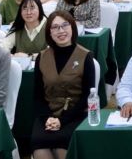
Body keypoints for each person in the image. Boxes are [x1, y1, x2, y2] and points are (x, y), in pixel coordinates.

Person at [32, 11, 95, 159]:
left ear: (72, 27)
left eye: (65, 25)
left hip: (76, 115)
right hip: (47, 115)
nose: (60, 31)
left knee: (62, 148)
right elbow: (38, 95)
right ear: (49, 32)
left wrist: (62, 120)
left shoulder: (85, 56)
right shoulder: (42, 57)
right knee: (40, 148)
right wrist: (48, 118)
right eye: (55, 27)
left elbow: (88, 96)